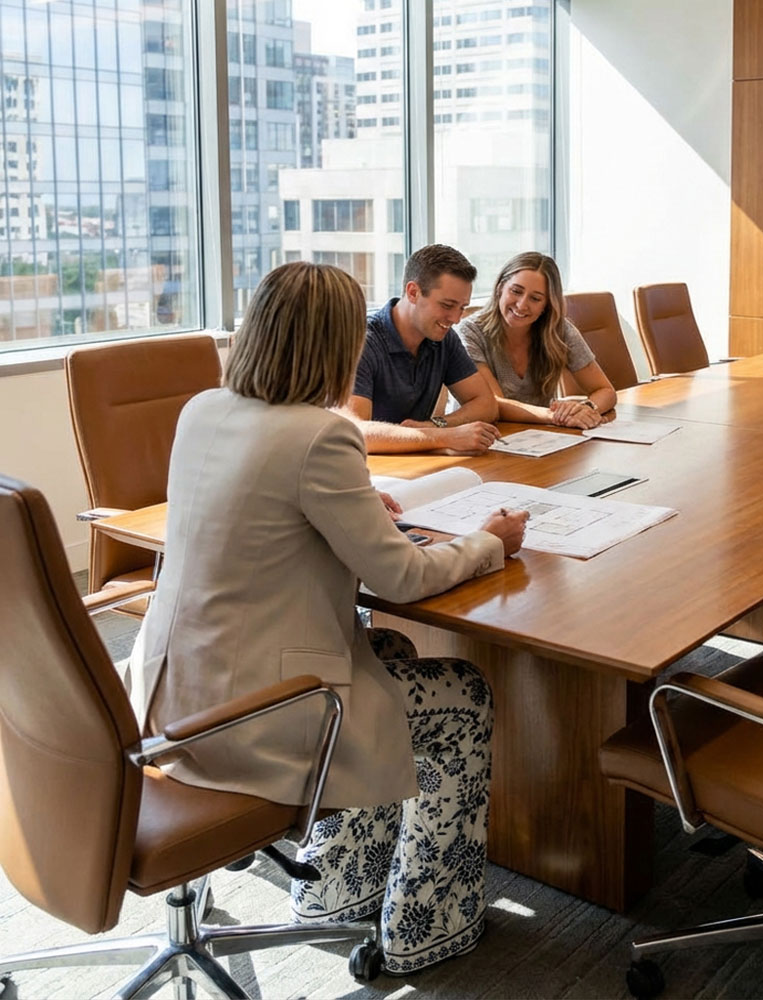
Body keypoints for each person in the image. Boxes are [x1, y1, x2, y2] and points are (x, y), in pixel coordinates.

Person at [127, 261, 528, 974]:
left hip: (167, 693)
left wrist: (349, 505)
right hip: (252, 714)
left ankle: (341, 889)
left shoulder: (203, 410)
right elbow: (401, 575)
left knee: (392, 653)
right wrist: (488, 543)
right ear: (334, 346)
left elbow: (256, 506)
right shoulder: (320, 436)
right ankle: (427, 925)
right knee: (464, 697)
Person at [345, 244, 501, 454]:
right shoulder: (361, 341)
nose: (455, 319)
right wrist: (445, 437)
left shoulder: (444, 339)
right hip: (369, 471)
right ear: (413, 292)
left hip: (418, 466)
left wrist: (436, 425)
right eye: (447, 305)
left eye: (462, 308)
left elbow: (486, 404)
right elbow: (356, 431)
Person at [457, 252, 617, 429]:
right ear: (500, 288)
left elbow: (606, 391)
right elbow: (492, 404)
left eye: (535, 298)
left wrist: (586, 408)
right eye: (516, 291)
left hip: (539, 438)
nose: (521, 305)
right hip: (480, 437)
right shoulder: (470, 331)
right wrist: (555, 415)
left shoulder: (559, 330)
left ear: (546, 305)